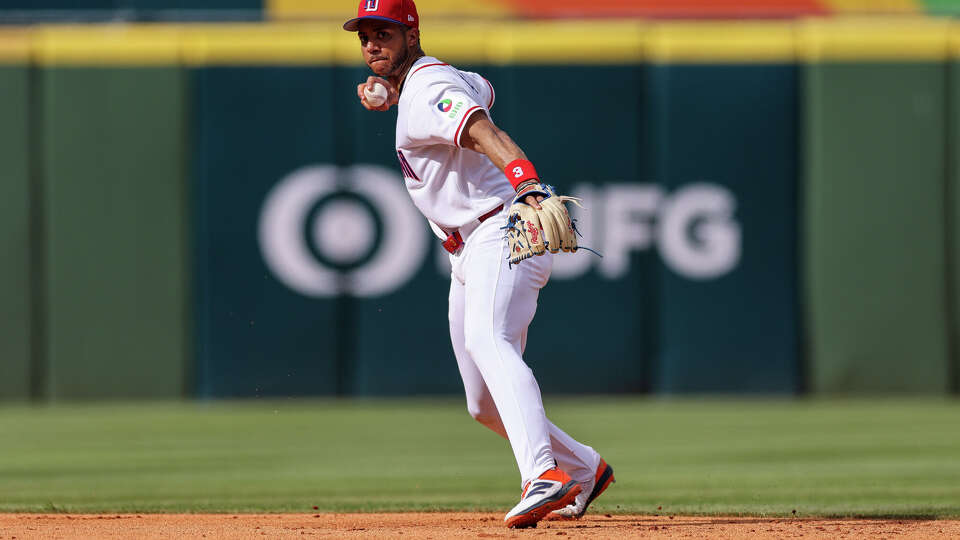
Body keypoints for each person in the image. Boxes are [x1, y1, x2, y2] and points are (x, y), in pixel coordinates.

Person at [343, 0, 614, 529]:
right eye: (365, 36)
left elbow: (481, 129)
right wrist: (393, 91)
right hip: (467, 249)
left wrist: (528, 182)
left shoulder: (426, 90)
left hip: (498, 232)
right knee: (482, 404)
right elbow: (482, 88)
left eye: (385, 33)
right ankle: (584, 467)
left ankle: (544, 475)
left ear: (411, 34)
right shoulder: (432, 80)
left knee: (490, 341)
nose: (373, 44)